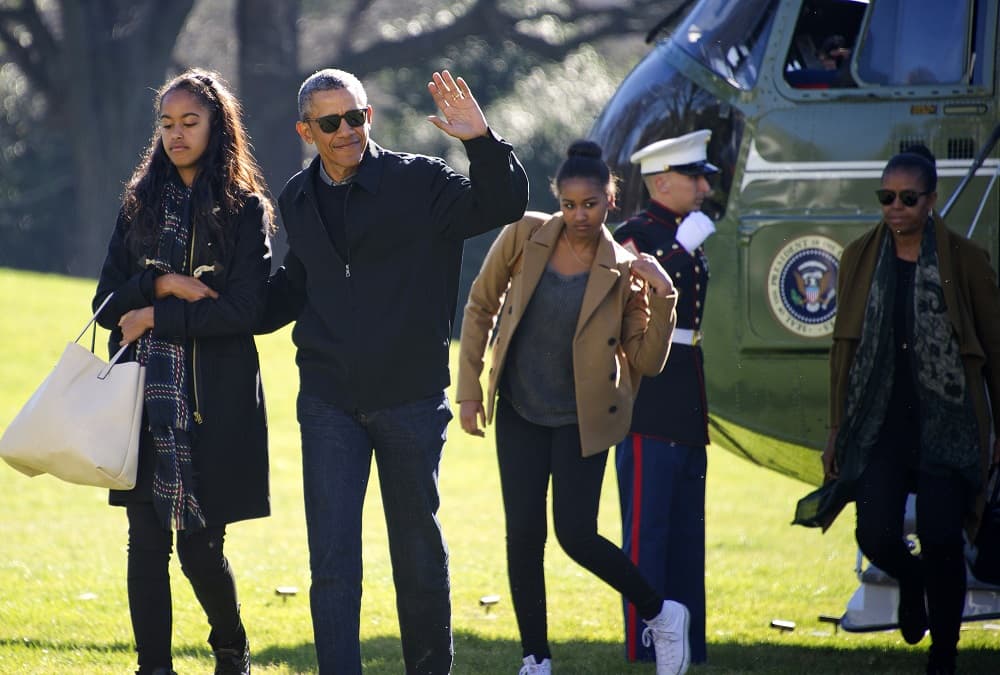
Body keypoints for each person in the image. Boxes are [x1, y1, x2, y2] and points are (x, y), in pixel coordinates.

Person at [257, 68, 528, 674]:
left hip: (409, 399)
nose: (348, 131)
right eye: (331, 123)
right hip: (327, 402)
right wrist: (214, 300)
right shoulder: (296, 198)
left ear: (368, 116)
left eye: (356, 117)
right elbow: (296, 287)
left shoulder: (420, 182)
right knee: (331, 562)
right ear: (308, 131)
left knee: (417, 556)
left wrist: (480, 141)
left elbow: (505, 203)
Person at [457, 139, 691, 675]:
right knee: (523, 536)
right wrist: (470, 388)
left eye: (589, 204)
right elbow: (480, 305)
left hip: (583, 419)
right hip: (519, 408)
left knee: (576, 534)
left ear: (611, 199)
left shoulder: (627, 270)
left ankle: (661, 613)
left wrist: (664, 297)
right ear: (557, 200)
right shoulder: (523, 234)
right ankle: (535, 658)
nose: (578, 215)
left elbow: (647, 361)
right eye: (568, 204)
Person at [92, 69, 274, 675]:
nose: (176, 134)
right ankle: (154, 667)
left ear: (217, 125)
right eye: (166, 124)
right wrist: (162, 285)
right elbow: (103, 305)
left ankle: (230, 648)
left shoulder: (245, 211)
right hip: (140, 405)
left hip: (212, 406)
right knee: (145, 547)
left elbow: (243, 312)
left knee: (201, 549)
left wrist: (151, 315)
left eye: (189, 122)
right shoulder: (138, 203)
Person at [793, 146, 1000, 675]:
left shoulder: (966, 261)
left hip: (946, 423)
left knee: (940, 538)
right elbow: (846, 349)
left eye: (908, 198)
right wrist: (838, 428)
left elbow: (994, 350)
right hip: (881, 422)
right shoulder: (860, 257)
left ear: (930, 201)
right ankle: (911, 582)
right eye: (886, 197)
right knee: (875, 534)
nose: (895, 207)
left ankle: (944, 654)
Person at [612, 129, 719, 666]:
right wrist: (681, 251)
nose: (704, 188)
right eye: (695, 177)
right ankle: (645, 641)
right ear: (662, 181)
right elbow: (637, 294)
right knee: (646, 530)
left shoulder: (680, 231)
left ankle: (688, 645)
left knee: (684, 531)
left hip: (686, 396)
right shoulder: (633, 232)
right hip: (649, 397)